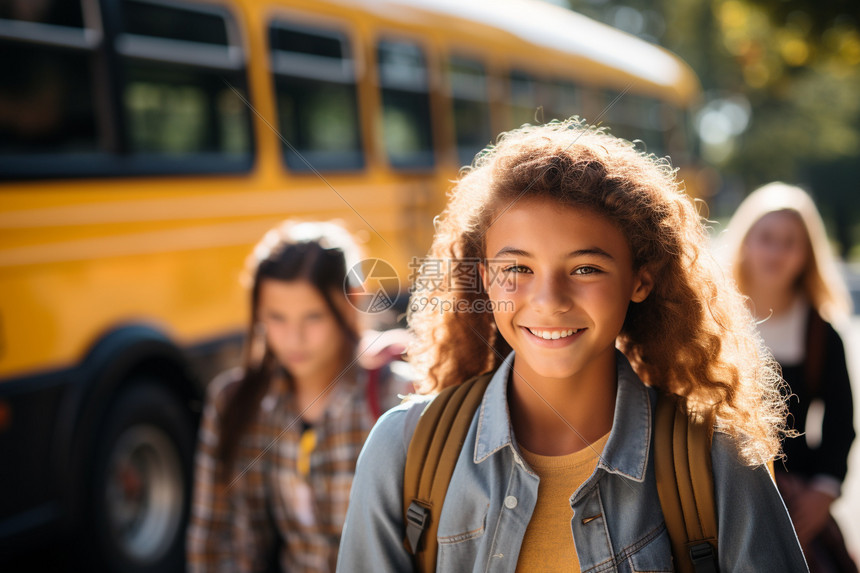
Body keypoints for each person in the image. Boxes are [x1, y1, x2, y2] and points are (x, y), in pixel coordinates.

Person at [336, 118, 808, 572]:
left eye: (585, 268)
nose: (549, 301)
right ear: (484, 279)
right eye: (517, 269)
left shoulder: (717, 459)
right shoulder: (401, 450)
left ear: (640, 280)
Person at [187, 220, 411, 573]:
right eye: (277, 318)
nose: (294, 338)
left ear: (353, 300)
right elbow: (214, 539)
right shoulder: (234, 404)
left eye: (313, 317)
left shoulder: (397, 397)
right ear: (258, 311)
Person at [725, 182, 857, 572]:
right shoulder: (712, 322)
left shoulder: (820, 333)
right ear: (745, 242)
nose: (777, 251)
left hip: (798, 505)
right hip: (719, 491)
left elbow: (839, 423)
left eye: (790, 242)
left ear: (807, 254)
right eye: (766, 238)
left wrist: (822, 491)